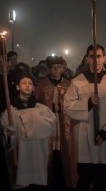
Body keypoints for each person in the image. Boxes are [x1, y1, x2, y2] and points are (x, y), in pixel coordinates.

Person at [64, 44, 106, 191]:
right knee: (85, 179)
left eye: (98, 56)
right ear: (87, 59)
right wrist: (88, 103)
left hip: (105, 137)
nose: (95, 60)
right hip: (85, 137)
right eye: (92, 56)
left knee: (104, 181)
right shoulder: (77, 81)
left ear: (104, 58)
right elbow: (67, 106)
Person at [0, 72, 56, 190]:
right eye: (24, 83)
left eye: (30, 83)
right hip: (20, 155)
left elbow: (50, 126)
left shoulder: (42, 109)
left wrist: (28, 121)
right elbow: (4, 131)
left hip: (37, 153)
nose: (27, 85)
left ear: (34, 88)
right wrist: (8, 134)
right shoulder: (10, 112)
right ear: (18, 87)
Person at [34, 56, 78, 190]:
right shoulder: (42, 85)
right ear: (49, 69)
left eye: (58, 67)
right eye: (53, 67)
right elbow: (36, 103)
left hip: (65, 121)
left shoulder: (68, 84)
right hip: (48, 122)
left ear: (62, 68)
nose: (56, 70)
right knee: (49, 151)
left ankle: (66, 179)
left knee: (65, 149)